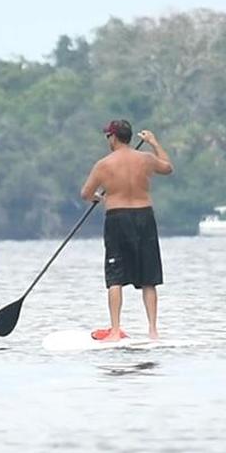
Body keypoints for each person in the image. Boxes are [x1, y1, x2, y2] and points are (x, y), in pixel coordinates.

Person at [80, 119, 174, 341]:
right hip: (144, 217)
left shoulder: (103, 165)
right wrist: (153, 142)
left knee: (115, 278)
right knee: (148, 278)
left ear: (113, 137)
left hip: (117, 218)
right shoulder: (146, 159)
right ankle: (153, 330)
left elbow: (86, 193)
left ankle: (115, 330)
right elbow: (168, 168)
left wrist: (97, 197)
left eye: (108, 137)